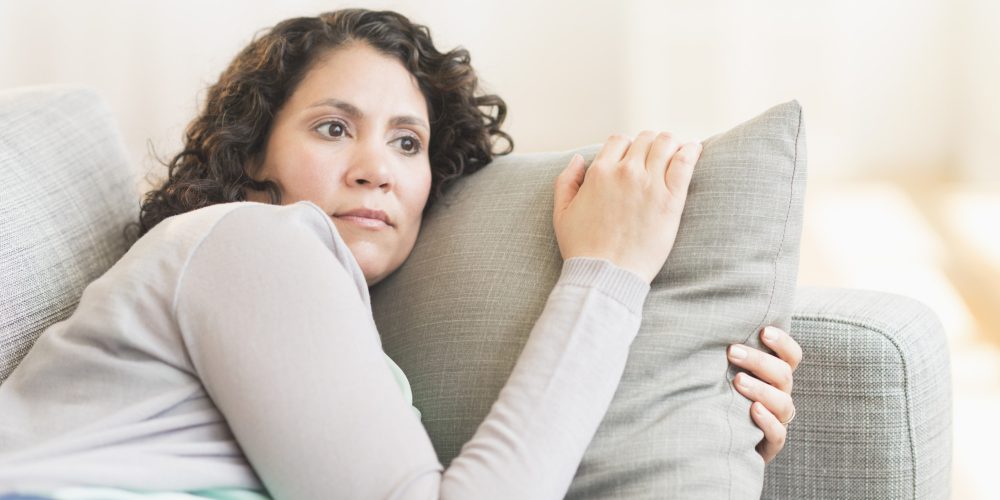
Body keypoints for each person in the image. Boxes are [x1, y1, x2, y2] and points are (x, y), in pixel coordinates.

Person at [0, 8, 801, 499]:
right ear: (253, 158)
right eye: (332, 127)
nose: (375, 167)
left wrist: (696, 402)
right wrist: (608, 273)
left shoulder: (331, 331)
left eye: (406, 141)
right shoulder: (251, 240)